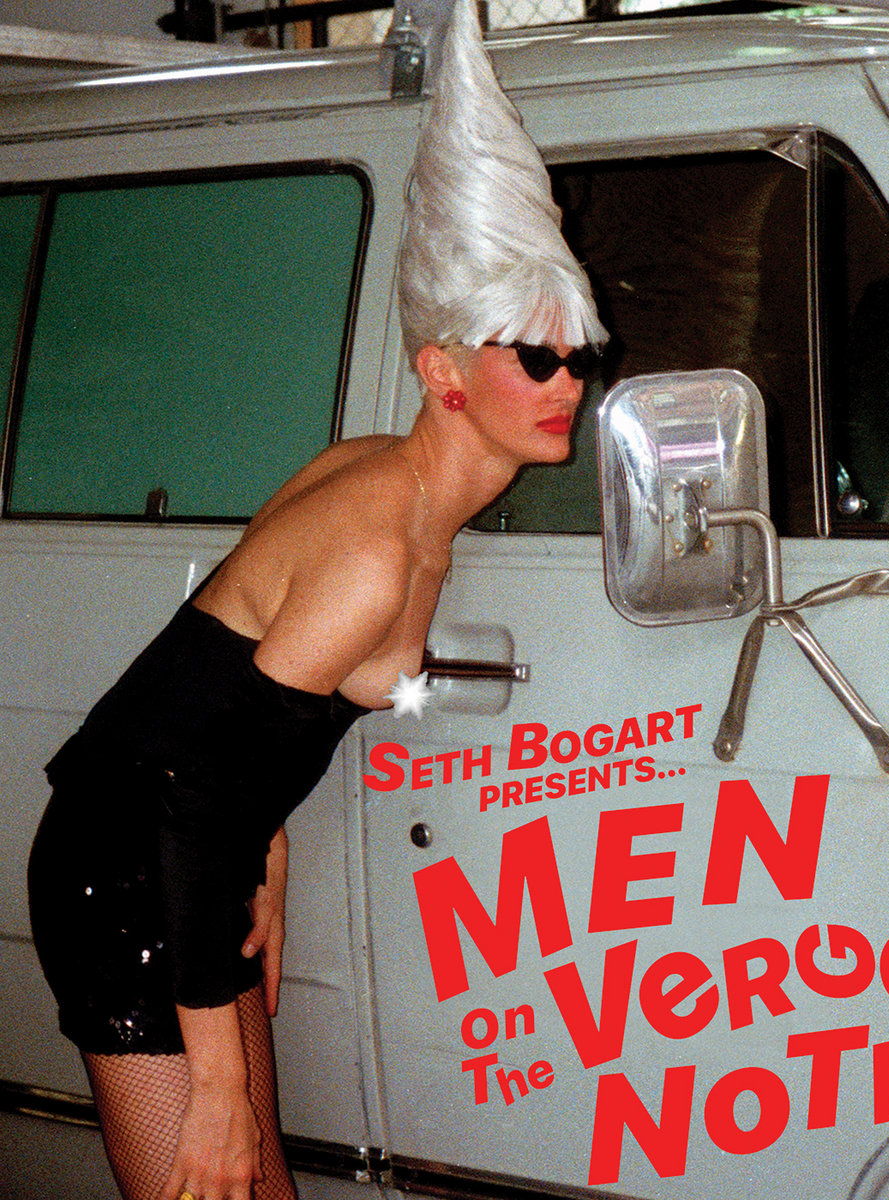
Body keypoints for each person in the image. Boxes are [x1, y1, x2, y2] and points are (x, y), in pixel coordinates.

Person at [25, 1, 606, 1197]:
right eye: (536, 357)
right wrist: (219, 1087)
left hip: (195, 853)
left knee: (259, 1188)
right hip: (127, 864)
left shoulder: (378, 474)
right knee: (215, 1172)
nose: (568, 385)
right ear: (443, 371)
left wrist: (269, 852)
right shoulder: (376, 550)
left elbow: (215, 697)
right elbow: (194, 790)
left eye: (579, 354)